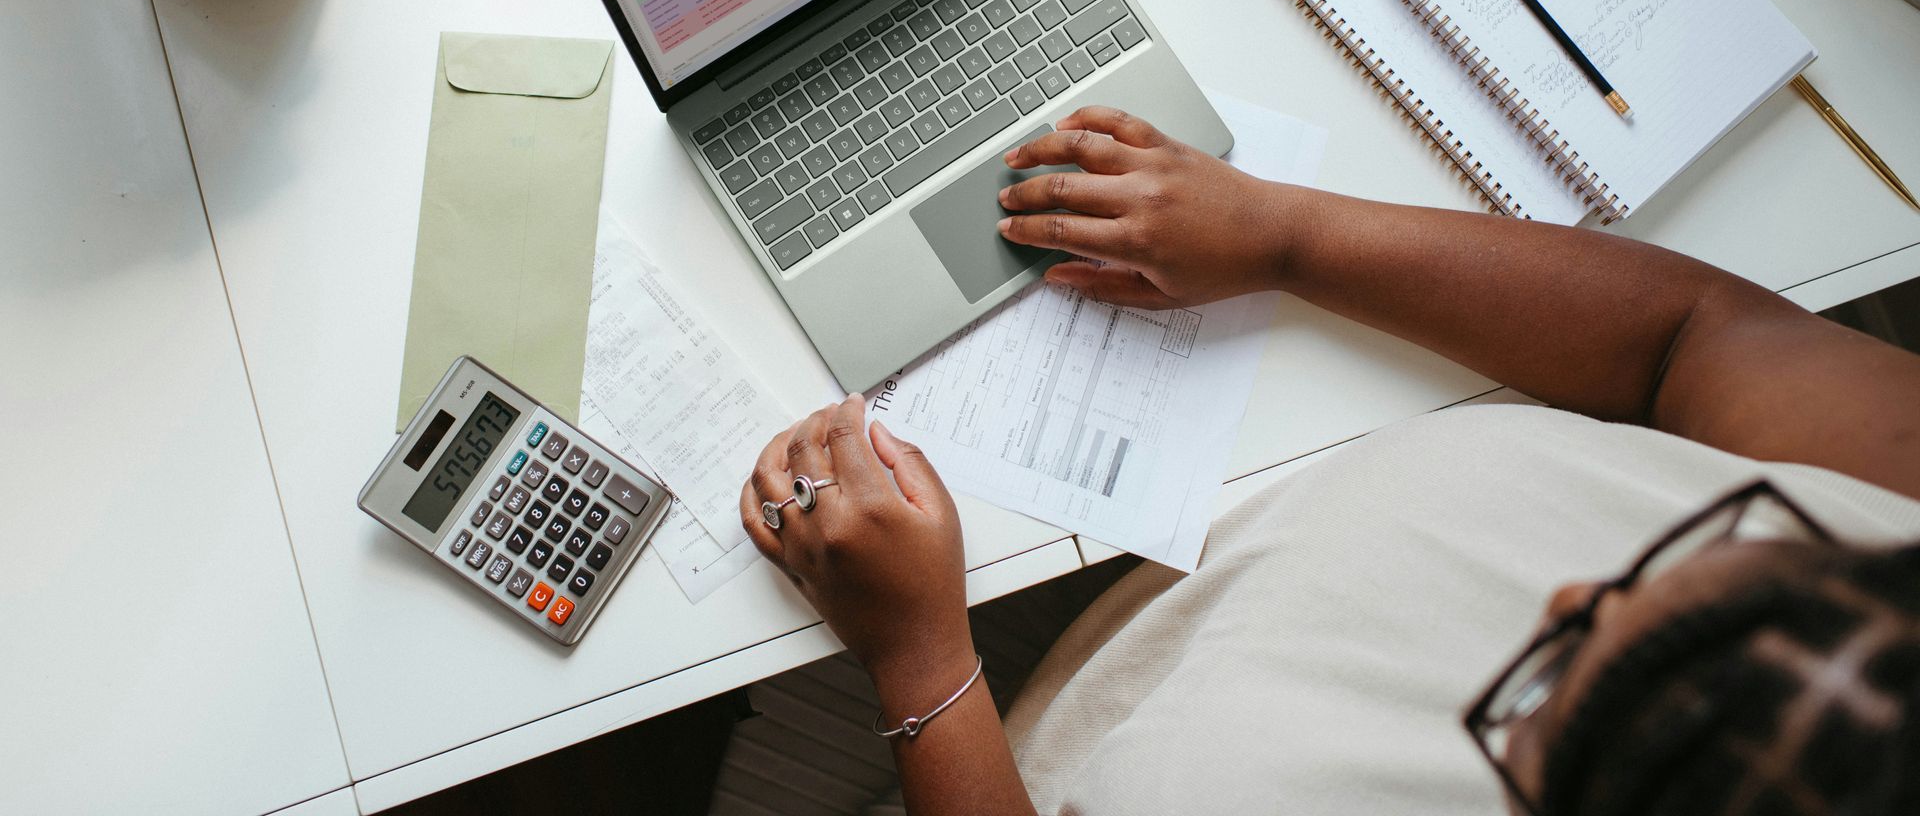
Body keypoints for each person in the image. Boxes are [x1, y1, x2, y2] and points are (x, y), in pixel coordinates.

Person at [738, 108, 1920, 815]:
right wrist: (1285, 234)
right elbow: (1695, 335)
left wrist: (921, 658)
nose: (1563, 593)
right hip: (1204, 567)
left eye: (1555, 683)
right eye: (1722, 541)